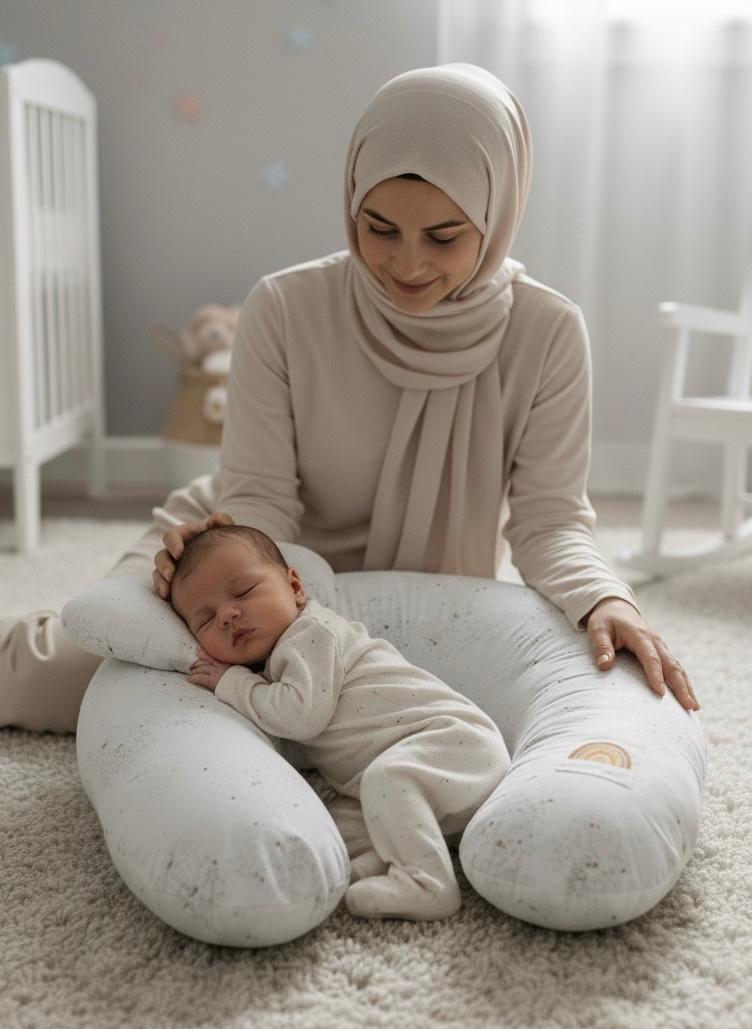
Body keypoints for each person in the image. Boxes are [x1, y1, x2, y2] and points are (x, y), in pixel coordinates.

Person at [0, 61, 698, 737]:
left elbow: (549, 522)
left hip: (418, 603)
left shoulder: (547, 331)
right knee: (70, 678)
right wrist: (219, 568)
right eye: (379, 227)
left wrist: (605, 597)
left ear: (498, 211)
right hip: (250, 577)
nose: (407, 263)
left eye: (444, 235)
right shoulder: (285, 306)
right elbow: (260, 502)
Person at [169, 523, 511, 921]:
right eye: (206, 620)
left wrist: (232, 683)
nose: (228, 615)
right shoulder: (276, 661)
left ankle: (428, 883)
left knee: (388, 780)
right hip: (421, 777)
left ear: (294, 587)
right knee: (336, 825)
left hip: (454, 743)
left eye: (244, 592)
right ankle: (386, 860)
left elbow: (299, 717)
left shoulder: (311, 633)